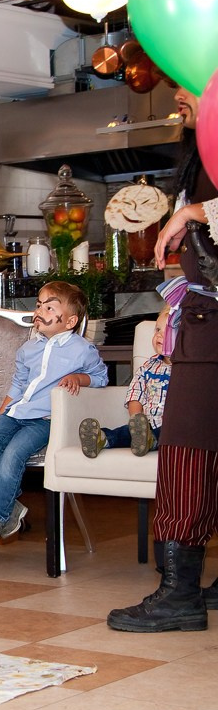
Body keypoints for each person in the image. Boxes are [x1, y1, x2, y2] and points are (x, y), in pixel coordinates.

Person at [109, 81, 218, 633]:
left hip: (211, 328)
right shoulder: (201, 156)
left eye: (186, 83)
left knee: (186, 453)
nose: (177, 92)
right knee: (194, 451)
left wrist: (194, 211)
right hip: (203, 323)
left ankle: (179, 594)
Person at [0, 281, 108, 547]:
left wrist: (79, 377)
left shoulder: (82, 349)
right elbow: (19, 383)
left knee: (14, 453)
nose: (40, 311)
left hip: (46, 418)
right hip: (18, 411)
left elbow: (101, 377)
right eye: (39, 305)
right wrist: (5, 407)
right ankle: (12, 507)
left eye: (49, 307)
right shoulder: (28, 349)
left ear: (70, 321)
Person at [78, 306, 171, 458]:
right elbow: (135, 395)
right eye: (157, 330)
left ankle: (150, 441)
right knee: (124, 432)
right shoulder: (148, 367)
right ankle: (102, 438)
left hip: (173, 430)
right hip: (147, 425)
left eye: (168, 331)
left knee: (169, 433)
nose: (159, 335)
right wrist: (137, 421)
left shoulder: (189, 371)